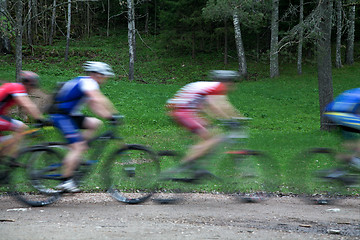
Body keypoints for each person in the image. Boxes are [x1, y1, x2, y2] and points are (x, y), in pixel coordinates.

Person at [49, 61, 119, 192]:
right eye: (104, 76)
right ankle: (66, 181)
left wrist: (109, 117)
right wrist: (114, 113)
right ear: (97, 74)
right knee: (78, 147)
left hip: (69, 115)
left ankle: (76, 150)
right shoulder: (89, 82)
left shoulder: (86, 83)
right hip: (61, 116)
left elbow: (94, 105)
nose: (105, 79)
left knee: (95, 123)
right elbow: (98, 98)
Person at [165, 70, 243, 173]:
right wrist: (233, 120)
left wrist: (234, 118)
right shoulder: (218, 87)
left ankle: (198, 164)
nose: (234, 86)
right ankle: (185, 164)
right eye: (234, 82)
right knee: (212, 138)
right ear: (229, 82)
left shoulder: (210, 87)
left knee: (212, 133)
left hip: (184, 111)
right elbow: (218, 105)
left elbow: (210, 107)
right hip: (183, 111)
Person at [0, 71, 47, 160]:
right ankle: (13, 160)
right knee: (21, 127)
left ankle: (6, 165)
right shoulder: (18, 87)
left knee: (5, 142)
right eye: (33, 85)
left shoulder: (13, 87)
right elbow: (27, 105)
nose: (33, 88)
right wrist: (40, 119)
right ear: (28, 83)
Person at [324, 89, 360, 171]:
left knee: (351, 142)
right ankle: (355, 160)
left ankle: (347, 162)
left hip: (332, 111)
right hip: (343, 112)